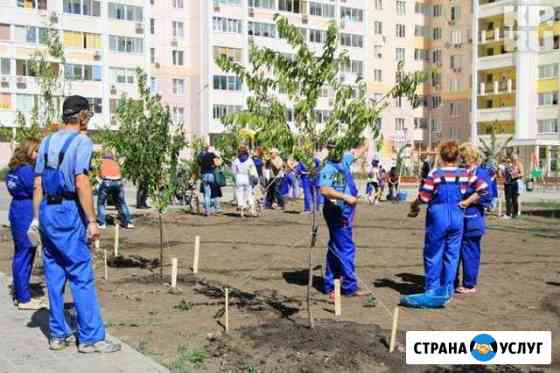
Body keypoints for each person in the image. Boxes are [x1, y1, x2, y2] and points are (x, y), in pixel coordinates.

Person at [30, 95, 120, 353]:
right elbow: (81, 181)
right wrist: (92, 220)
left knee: (55, 272)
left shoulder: (46, 142)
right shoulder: (82, 142)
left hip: (47, 210)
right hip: (68, 211)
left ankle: (58, 335)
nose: (89, 121)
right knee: (81, 274)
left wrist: (36, 218)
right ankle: (91, 338)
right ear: (81, 116)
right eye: (89, 116)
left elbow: (38, 183)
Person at [402, 141, 488, 309]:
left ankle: (432, 288)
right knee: (452, 255)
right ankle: (447, 291)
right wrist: (466, 202)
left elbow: (425, 197)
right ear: (457, 156)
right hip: (457, 215)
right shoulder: (465, 173)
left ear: (441, 155)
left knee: (433, 253)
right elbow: (484, 189)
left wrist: (414, 204)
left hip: (438, 216)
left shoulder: (435, 173)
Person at [320, 142, 369, 298]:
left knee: (335, 247)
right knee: (346, 248)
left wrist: (365, 138)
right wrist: (345, 196)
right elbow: (325, 190)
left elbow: (359, 151)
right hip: (337, 211)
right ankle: (349, 286)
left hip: (345, 211)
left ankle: (330, 284)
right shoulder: (328, 168)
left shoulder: (344, 161)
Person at [6, 138, 46, 310]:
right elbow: (38, 189)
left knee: (20, 252)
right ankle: (24, 298)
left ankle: (20, 291)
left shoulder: (14, 170)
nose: (38, 155)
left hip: (16, 208)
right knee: (26, 253)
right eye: (36, 151)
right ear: (28, 151)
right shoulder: (28, 171)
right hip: (27, 211)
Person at [455, 143, 494, 295]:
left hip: (472, 218)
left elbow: (487, 196)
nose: (463, 161)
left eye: (465, 158)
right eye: (461, 158)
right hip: (456, 218)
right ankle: (451, 282)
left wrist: (468, 201)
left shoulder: (482, 173)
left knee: (470, 252)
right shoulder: (458, 173)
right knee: (453, 250)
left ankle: (469, 284)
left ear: (473, 157)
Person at [96, 152, 134, 229]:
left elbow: (99, 175)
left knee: (101, 203)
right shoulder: (115, 163)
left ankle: (102, 223)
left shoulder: (102, 162)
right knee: (122, 202)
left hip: (107, 182)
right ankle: (128, 222)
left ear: (104, 157)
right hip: (118, 182)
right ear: (112, 157)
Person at [232, 145, 258, 218]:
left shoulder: (236, 160)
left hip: (239, 177)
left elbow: (233, 171)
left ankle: (241, 212)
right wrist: (255, 178)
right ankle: (252, 211)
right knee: (249, 194)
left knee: (239, 195)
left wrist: (235, 178)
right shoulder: (249, 160)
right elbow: (253, 171)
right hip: (247, 177)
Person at [199, 146, 222, 216]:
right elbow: (218, 163)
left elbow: (199, 164)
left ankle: (207, 211)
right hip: (211, 175)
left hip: (204, 175)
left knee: (206, 194)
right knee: (214, 192)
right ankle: (216, 208)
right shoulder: (213, 155)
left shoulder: (203, 156)